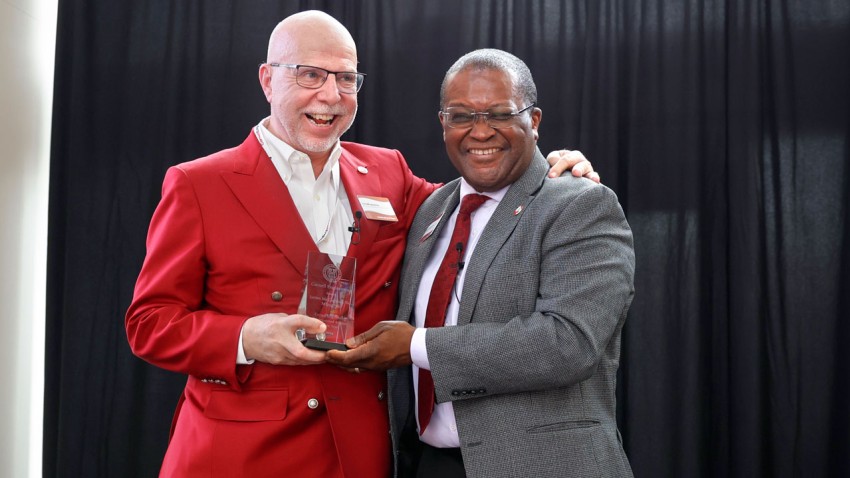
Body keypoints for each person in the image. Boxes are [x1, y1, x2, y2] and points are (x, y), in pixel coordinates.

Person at [125, 10, 598, 478]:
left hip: (359, 450)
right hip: (240, 452)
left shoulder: (388, 171)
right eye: (310, 75)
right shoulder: (199, 184)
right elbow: (149, 323)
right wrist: (247, 338)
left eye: (346, 79)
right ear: (268, 80)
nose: (330, 95)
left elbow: (480, 199)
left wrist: (549, 169)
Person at [326, 48, 635, 478]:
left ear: (535, 121)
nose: (481, 131)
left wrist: (416, 346)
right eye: (461, 115)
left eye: (500, 114)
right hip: (429, 463)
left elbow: (568, 343)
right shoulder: (433, 209)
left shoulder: (579, 205)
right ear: (443, 124)